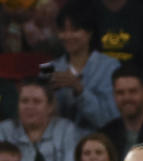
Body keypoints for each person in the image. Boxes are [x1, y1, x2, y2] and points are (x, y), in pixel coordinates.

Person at [0, 80, 81, 161]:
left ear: (50, 107)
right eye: (24, 101)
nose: (29, 106)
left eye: (36, 101)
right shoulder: (3, 129)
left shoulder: (66, 129)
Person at [50, 0, 121, 130]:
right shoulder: (50, 68)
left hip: (99, 142)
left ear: (90, 32)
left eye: (75, 30)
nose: (67, 36)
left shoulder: (110, 66)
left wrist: (79, 90)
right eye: (63, 30)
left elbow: (110, 119)